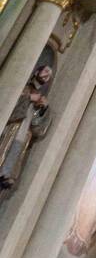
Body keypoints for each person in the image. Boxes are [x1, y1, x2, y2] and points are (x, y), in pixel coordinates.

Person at [0, 63, 53, 192]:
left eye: (49, 75)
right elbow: (6, 104)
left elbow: (36, 126)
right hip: (9, 131)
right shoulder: (21, 87)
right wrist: (28, 98)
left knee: (6, 171)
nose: (47, 76)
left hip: (22, 136)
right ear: (36, 72)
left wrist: (43, 109)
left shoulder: (39, 97)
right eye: (45, 71)